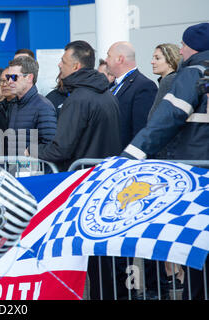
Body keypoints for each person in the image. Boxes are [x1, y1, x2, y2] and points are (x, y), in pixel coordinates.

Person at [26, 40, 122, 300]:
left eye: (64, 61)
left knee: (86, 258)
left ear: (77, 65)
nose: (59, 64)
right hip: (105, 184)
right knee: (104, 258)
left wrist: (31, 153)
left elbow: (61, 149)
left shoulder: (79, 98)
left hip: (84, 186)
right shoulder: (106, 94)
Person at [121, 22, 209, 300]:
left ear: (191, 47)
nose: (180, 50)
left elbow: (165, 120)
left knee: (198, 254)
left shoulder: (192, 74)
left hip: (196, 177)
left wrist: (129, 157)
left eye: (182, 45)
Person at [105, 41, 158, 148]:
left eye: (108, 56)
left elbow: (141, 129)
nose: (106, 60)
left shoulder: (144, 86)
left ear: (120, 59)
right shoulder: (112, 85)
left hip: (126, 157)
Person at [7, 55, 57, 156]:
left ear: (29, 77)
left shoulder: (44, 107)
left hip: (35, 170)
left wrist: (30, 151)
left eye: (14, 77)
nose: (9, 81)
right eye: (8, 77)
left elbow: (50, 146)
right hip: (15, 169)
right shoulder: (13, 104)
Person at [148, 43, 181, 120]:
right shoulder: (179, 81)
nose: (152, 62)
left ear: (171, 61)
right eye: (153, 58)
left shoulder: (168, 82)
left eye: (157, 58)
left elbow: (155, 117)